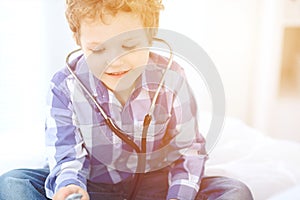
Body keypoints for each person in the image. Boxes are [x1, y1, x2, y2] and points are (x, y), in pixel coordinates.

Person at [0, 0, 254, 199]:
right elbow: (67, 157)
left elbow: (188, 150)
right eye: (98, 49)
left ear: (150, 36)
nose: (114, 61)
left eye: (129, 45)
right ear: (79, 41)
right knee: (13, 183)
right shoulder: (65, 86)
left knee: (234, 191)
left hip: (156, 188)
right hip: (93, 186)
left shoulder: (171, 77)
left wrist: (179, 197)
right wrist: (70, 189)